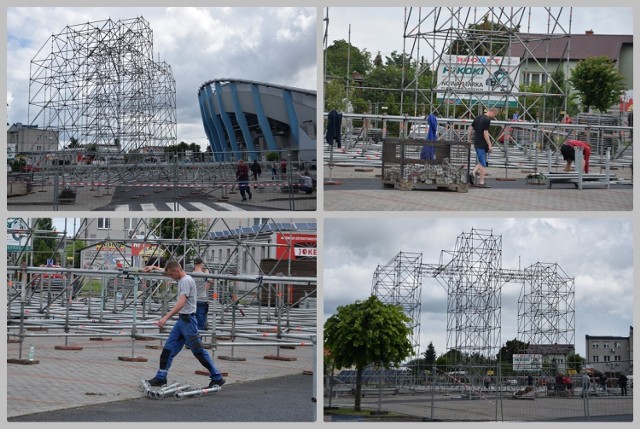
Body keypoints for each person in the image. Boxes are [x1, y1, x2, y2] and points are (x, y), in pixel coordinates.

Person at [144, 260, 225, 389]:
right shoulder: (182, 277)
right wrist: (154, 268)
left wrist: (165, 318)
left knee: (198, 351)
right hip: (182, 321)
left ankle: (217, 377)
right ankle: (161, 377)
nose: (170, 277)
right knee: (168, 349)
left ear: (177, 271)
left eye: (171, 275)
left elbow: (181, 303)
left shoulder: (186, 281)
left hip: (188, 322)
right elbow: (168, 272)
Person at [468, 107, 498, 188]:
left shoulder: (477, 118)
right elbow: (485, 133)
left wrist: (469, 139)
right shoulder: (487, 120)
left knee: (482, 160)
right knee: (482, 164)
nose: (493, 116)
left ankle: (473, 173)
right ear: (492, 112)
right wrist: (489, 144)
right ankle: (481, 182)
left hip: (477, 143)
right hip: (482, 143)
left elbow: (470, 128)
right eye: (494, 115)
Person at [192, 257, 213, 332]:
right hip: (201, 300)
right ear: (201, 265)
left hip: (192, 300)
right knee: (200, 323)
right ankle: (198, 341)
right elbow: (211, 281)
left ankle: (190, 341)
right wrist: (207, 273)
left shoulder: (190, 275)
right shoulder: (204, 275)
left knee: (191, 322)